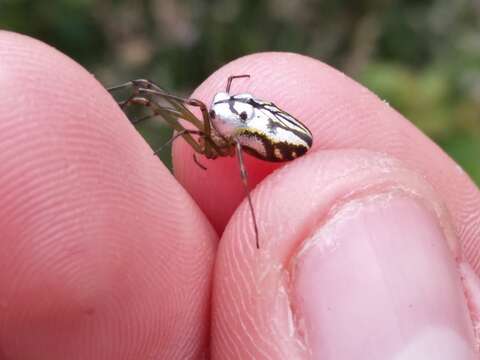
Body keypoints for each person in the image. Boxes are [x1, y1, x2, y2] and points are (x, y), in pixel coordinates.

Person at [0, 31, 479, 359]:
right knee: (148, 93)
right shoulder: (208, 120)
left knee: (166, 104)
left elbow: (241, 150)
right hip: (246, 116)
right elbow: (222, 103)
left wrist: (251, 214)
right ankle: (102, 106)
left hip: (271, 133)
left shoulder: (221, 132)